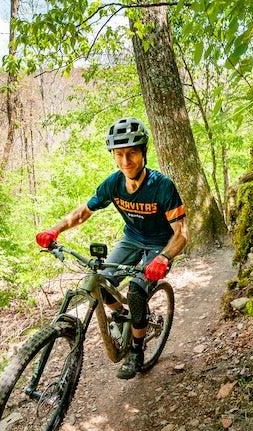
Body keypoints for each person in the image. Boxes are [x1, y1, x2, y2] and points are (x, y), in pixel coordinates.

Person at [35, 117, 188, 379]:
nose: (126, 161)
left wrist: (164, 257)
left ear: (143, 153)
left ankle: (137, 351)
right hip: (131, 239)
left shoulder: (162, 186)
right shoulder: (113, 184)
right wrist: (55, 230)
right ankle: (124, 314)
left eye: (132, 153)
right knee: (101, 282)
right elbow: (84, 212)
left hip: (159, 245)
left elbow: (182, 233)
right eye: (119, 154)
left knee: (137, 292)